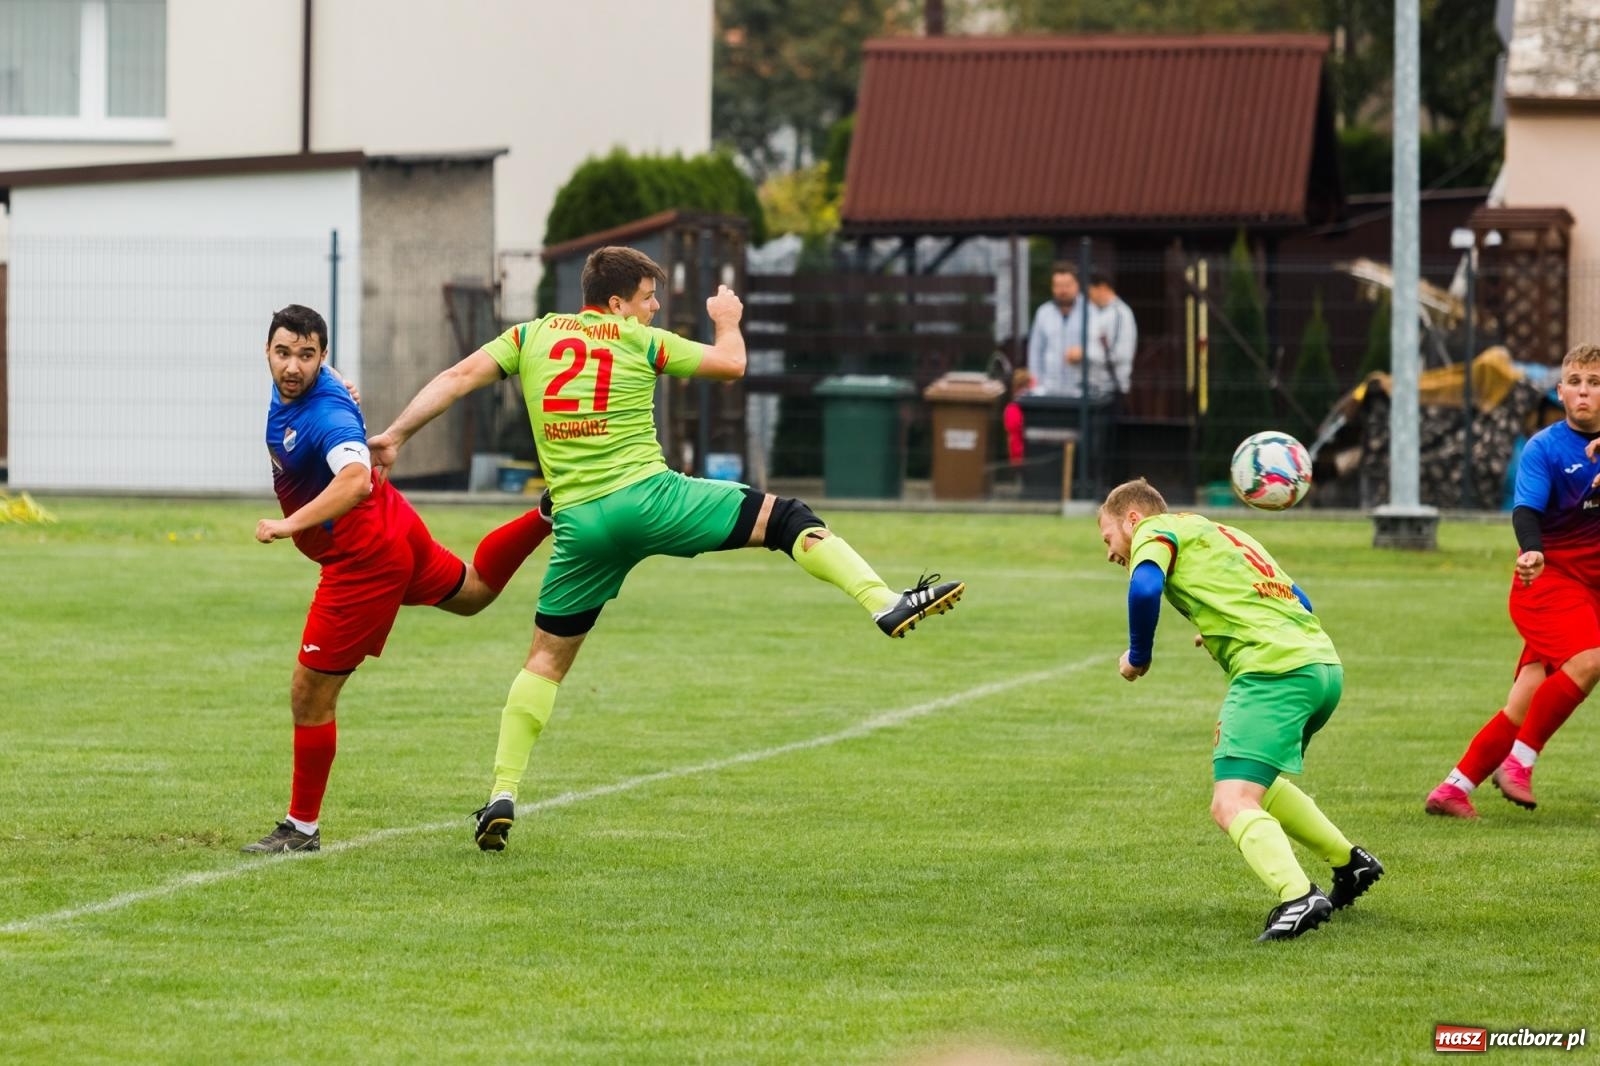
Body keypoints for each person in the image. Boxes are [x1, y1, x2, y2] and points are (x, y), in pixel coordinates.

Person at [368, 246, 966, 852]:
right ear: (616, 303)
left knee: (544, 660)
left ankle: (502, 791)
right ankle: (881, 601)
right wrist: (726, 319)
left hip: (579, 525)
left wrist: (394, 436)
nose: (654, 308)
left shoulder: (529, 336)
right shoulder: (639, 340)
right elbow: (732, 364)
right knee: (786, 519)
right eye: (648, 298)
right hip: (651, 501)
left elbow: (455, 378)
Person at [245, 304, 551, 853]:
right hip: (394, 525)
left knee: (310, 694)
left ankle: (301, 829)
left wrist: (289, 525)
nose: (292, 366)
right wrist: (338, 379)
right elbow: (328, 389)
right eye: (283, 352)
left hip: (363, 558)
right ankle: (546, 513)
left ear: (322, 355)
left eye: (306, 356)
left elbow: (356, 479)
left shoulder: (325, 415)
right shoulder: (318, 381)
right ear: (266, 351)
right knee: (474, 592)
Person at [1098, 478, 1382, 941]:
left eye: (1108, 537)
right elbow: (1301, 601)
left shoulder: (1154, 529)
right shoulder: (1223, 533)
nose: (1110, 553)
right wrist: (1224, 626)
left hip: (1274, 672)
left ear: (1132, 518)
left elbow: (1146, 589)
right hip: (1322, 667)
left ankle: (1298, 896)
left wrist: (1138, 656)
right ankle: (1350, 863)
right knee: (1257, 783)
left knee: (1230, 802)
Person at [1425, 342, 1600, 818]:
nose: (1584, 391)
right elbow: (1525, 510)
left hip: (1591, 594)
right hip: (1549, 583)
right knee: (1590, 661)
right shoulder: (1545, 447)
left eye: (1595, 383)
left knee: (1523, 705)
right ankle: (1519, 762)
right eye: (1576, 382)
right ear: (1560, 392)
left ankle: (1453, 788)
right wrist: (1532, 549)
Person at [1024, 262, 1085, 399]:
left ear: (1077, 286)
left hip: (1080, 394)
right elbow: (1035, 352)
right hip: (1048, 391)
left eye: (1067, 285)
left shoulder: (1089, 312)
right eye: (1058, 285)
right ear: (1053, 287)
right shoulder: (1043, 313)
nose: (1063, 290)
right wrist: (1036, 386)